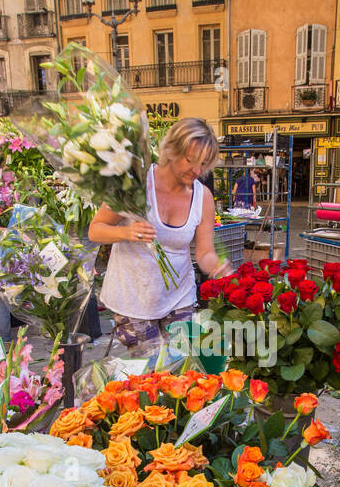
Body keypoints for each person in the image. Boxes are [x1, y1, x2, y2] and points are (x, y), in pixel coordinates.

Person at [89, 117, 233, 350]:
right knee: (149, 374)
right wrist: (127, 232)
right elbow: (95, 230)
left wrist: (216, 265)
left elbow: (204, 252)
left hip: (180, 299)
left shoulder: (202, 196)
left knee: (180, 370)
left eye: (204, 164)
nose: (197, 170)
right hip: (132, 301)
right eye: (191, 160)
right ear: (172, 150)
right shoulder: (135, 183)